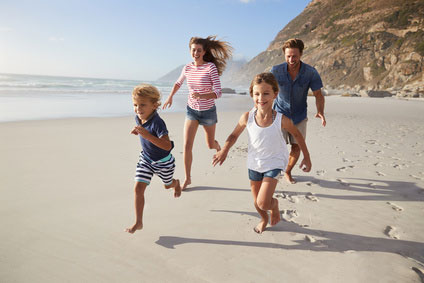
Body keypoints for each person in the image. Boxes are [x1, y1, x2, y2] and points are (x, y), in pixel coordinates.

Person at [212, 73, 311, 234]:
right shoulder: (247, 117)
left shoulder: (281, 119)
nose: (261, 98)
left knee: (264, 203)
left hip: (274, 162)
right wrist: (224, 150)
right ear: (252, 94)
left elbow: (298, 135)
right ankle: (264, 219)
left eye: (266, 93)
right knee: (257, 204)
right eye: (257, 94)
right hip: (254, 163)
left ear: (275, 94)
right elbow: (233, 135)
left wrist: (306, 156)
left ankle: (274, 205)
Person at [163, 36, 232, 190]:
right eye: (193, 50)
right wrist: (170, 97)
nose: (196, 53)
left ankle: (217, 145)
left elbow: (218, 92)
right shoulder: (187, 67)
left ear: (204, 52)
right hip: (191, 111)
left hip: (208, 113)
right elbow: (178, 82)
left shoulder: (210, 68)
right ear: (190, 51)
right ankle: (187, 178)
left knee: (209, 145)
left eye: (199, 50)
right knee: (187, 145)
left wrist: (202, 96)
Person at [126, 84, 181, 234]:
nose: (138, 109)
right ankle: (138, 222)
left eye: (143, 105)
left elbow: (167, 145)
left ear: (155, 105)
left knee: (167, 185)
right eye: (135, 105)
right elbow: (142, 129)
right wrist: (138, 131)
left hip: (164, 163)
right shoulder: (138, 117)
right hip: (146, 159)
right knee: (138, 188)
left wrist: (146, 135)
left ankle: (175, 183)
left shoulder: (158, 123)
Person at [271, 38, 325, 184]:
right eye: (288, 56)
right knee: (278, 147)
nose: (291, 59)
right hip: (279, 114)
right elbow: (266, 90)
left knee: (297, 147)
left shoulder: (310, 72)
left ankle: (287, 171)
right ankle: (275, 170)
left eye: (294, 56)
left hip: (299, 116)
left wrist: (320, 111)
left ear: (301, 54)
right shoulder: (275, 71)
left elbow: (318, 94)